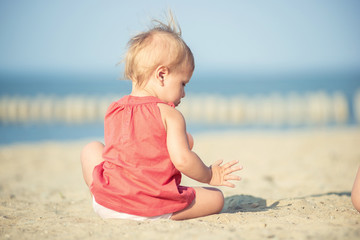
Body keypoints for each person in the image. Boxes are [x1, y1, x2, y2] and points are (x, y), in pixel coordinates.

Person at [80, 12, 242, 221]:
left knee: (91, 148)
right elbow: (183, 160)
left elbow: (129, 152)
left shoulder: (114, 109)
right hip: (149, 208)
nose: (184, 93)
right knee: (216, 198)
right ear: (162, 75)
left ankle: (102, 194)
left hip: (107, 205)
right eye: (183, 83)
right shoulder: (170, 115)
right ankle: (163, 212)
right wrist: (210, 174)